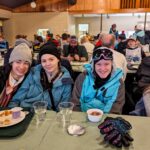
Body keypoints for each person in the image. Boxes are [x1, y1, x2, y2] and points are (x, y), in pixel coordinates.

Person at [9, 44, 73, 111]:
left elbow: (64, 107)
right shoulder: (33, 73)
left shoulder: (66, 80)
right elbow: (16, 100)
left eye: (51, 59)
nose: (48, 64)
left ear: (58, 59)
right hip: (27, 112)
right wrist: (12, 115)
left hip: (48, 116)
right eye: (44, 61)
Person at [72, 47, 125, 114]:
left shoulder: (118, 83)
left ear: (112, 65)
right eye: (98, 64)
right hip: (83, 119)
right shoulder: (82, 78)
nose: (103, 68)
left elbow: (116, 109)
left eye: (106, 64)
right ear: (93, 66)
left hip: (107, 121)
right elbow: (75, 103)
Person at [0, 43, 32, 107]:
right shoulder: (2, 75)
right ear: (11, 62)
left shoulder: (29, 81)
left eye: (26, 63)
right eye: (18, 62)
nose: (21, 67)